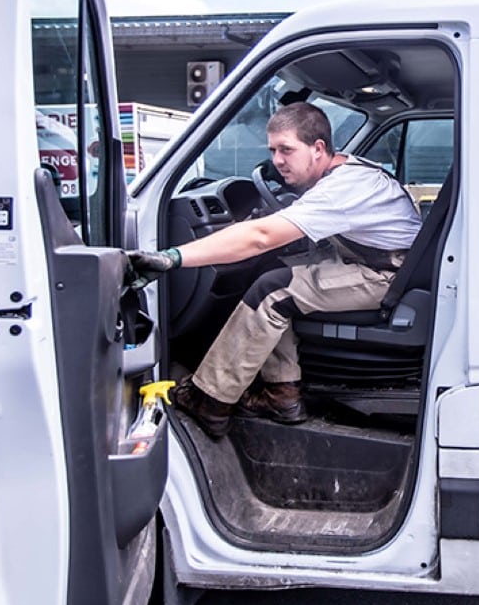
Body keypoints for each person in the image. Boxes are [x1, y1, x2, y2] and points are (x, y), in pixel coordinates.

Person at [126, 102, 422, 438]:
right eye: (272, 150)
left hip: (385, 277)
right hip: (381, 266)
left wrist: (173, 257)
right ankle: (282, 396)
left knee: (273, 290)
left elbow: (261, 236)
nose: (277, 161)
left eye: (286, 150)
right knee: (274, 270)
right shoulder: (347, 173)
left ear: (318, 149)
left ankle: (209, 400)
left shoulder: (343, 188)